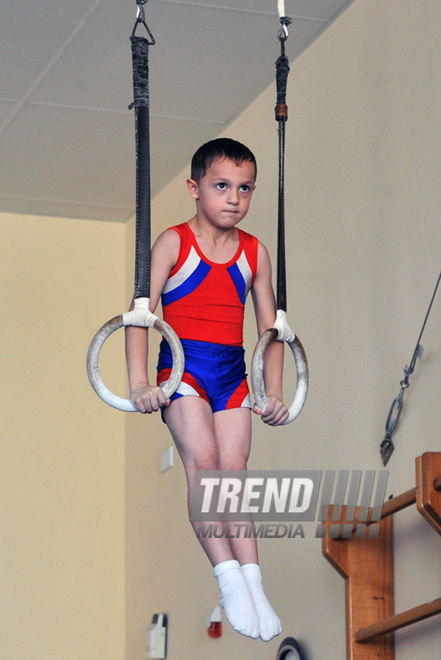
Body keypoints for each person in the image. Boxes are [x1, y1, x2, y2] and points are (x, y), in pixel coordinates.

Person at [125, 137, 288, 642]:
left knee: (234, 473)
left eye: (244, 188)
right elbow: (138, 316)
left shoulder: (255, 252)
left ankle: (254, 582)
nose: (234, 198)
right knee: (204, 460)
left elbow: (273, 333)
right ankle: (228, 577)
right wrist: (139, 384)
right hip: (184, 368)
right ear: (196, 189)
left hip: (232, 370)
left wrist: (272, 391)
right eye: (222, 186)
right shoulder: (173, 242)